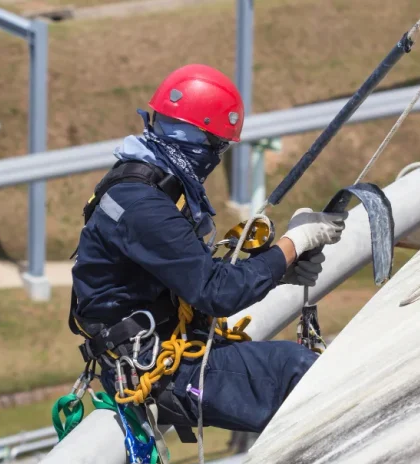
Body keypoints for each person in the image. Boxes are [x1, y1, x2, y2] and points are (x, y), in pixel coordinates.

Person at [69, 64, 346, 436]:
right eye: (217, 146)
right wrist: (292, 246)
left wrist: (279, 270)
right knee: (294, 369)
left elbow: (190, 275)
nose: (217, 158)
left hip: (159, 349)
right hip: (157, 370)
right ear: (199, 141)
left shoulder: (139, 184)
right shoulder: (143, 206)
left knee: (290, 367)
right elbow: (218, 292)